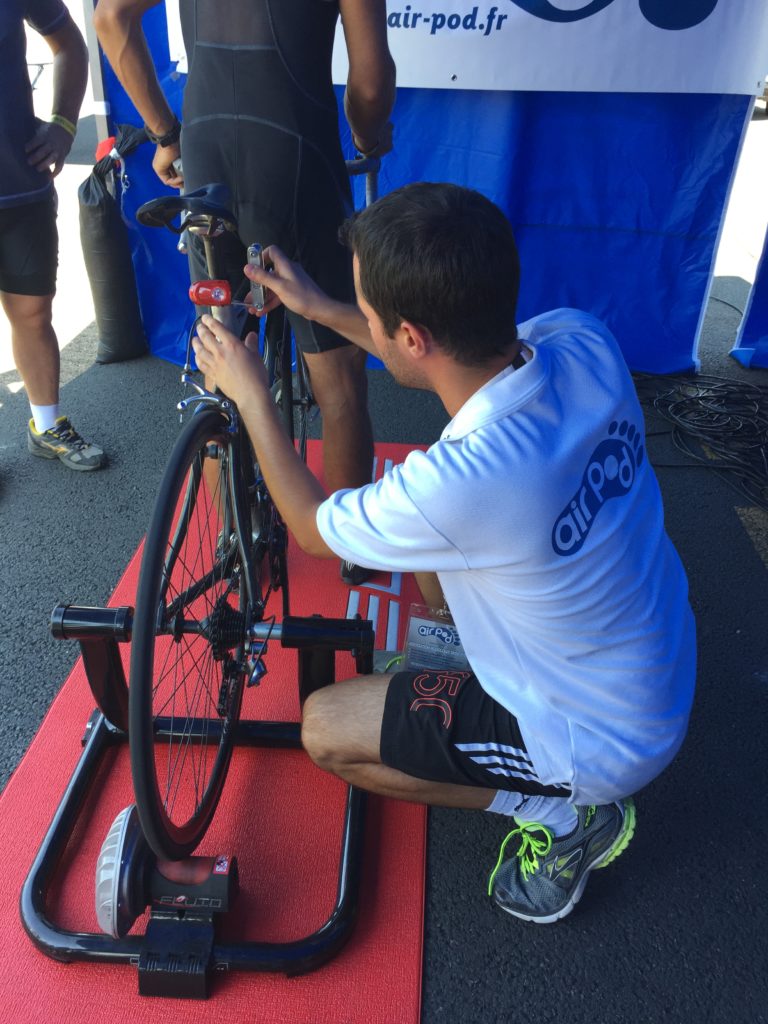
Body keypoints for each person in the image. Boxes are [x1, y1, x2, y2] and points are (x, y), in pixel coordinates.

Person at [190, 182, 697, 924]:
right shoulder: (578, 339)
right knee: (425, 520)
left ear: (411, 336)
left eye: (366, 314)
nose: (359, 319)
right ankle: (477, 678)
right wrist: (321, 310)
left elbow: (306, 525)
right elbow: (443, 355)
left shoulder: (465, 485)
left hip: (599, 741)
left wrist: (252, 396)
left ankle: (568, 819)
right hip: (653, 657)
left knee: (327, 729)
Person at [93, 0, 395, 580]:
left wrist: (164, 133)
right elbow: (372, 80)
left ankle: (235, 537)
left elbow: (110, 20)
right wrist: (367, 134)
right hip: (296, 154)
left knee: (222, 347)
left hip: (207, 149)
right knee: (339, 373)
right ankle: (357, 553)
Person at [2, 1, 105, 471]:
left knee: (32, 311)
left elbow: (69, 45)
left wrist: (65, 126)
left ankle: (46, 426)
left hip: (20, 186)